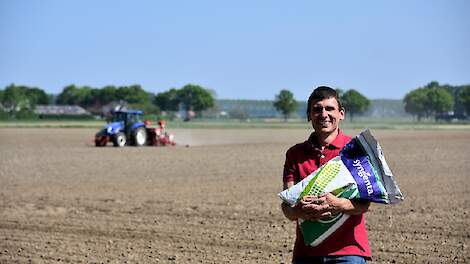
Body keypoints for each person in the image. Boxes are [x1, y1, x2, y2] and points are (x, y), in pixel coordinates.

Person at [281, 86, 371, 264]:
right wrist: (298, 210)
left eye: (330, 108)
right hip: (306, 254)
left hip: (348, 253)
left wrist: (337, 204)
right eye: (317, 109)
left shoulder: (355, 150)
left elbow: (364, 205)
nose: (323, 114)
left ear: (341, 113)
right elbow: (287, 207)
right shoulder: (295, 154)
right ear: (309, 115)